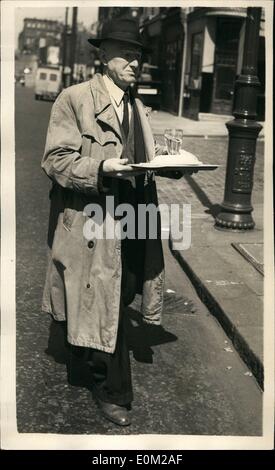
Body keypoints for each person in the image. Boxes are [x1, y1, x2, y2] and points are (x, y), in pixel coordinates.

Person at [41, 17, 186, 427]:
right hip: (94, 219)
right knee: (106, 297)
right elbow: (55, 160)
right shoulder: (74, 99)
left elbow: (144, 160)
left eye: (138, 54)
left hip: (135, 215)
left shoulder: (136, 106)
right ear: (103, 56)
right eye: (125, 52)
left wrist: (170, 167)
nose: (134, 61)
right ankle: (113, 389)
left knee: (123, 290)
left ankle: (82, 353)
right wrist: (102, 167)